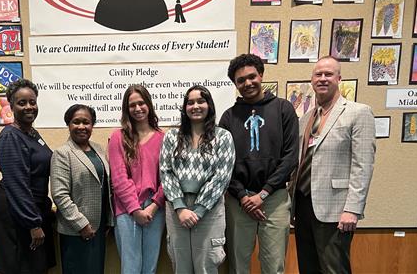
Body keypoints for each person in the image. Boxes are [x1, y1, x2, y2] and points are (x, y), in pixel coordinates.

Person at [289, 56, 376, 273]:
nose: (323, 79)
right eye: (318, 74)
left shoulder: (358, 112)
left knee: (334, 269)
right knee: (308, 268)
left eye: (328, 74)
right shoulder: (306, 118)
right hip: (303, 206)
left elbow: (362, 165)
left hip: (336, 210)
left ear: (339, 78)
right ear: (312, 80)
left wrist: (352, 209)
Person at [220, 54, 299, 274]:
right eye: (241, 80)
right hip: (239, 202)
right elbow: (224, 164)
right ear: (235, 84)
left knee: (274, 266)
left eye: (251, 76)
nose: (247, 83)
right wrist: (244, 196)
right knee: (238, 265)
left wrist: (263, 194)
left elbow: (291, 156)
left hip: (274, 200)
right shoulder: (228, 118)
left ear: (261, 75)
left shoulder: (283, 109)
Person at [159, 85, 235, 274]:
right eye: (190, 102)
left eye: (201, 101)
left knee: (206, 265)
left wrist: (199, 210)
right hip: (177, 210)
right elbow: (166, 172)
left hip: (210, 210)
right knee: (180, 265)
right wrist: (180, 207)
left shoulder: (223, 137)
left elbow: (222, 176)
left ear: (209, 105)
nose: (196, 106)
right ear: (184, 108)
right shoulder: (171, 137)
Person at [0, 79, 56, 274]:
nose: (29, 107)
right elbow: (16, 183)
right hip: (18, 215)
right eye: (22, 103)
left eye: (32, 102)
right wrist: (32, 223)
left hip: (34, 210)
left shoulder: (32, 133)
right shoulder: (11, 135)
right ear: (11, 106)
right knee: (23, 268)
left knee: (37, 268)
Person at [50, 104, 114, 274]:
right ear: (68, 124)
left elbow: (105, 186)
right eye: (76, 122)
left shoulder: (98, 150)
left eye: (86, 122)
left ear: (92, 125)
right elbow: (60, 195)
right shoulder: (62, 153)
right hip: (75, 230)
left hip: (98, 228)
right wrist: (82, 225)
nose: (81, 126)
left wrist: (108, 220)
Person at [108, 85, 165, 274]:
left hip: (155, 209)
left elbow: (169, 178)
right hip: (126, 209)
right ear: (126, 109)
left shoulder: (163, 138)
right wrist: (135, 210)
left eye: (141, 103)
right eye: (132, 105)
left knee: (150, 267)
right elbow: (119, 178)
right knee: (131, 267)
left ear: (149, 105)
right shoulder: (118, 137)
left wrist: (154, 205)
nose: (138, 108)